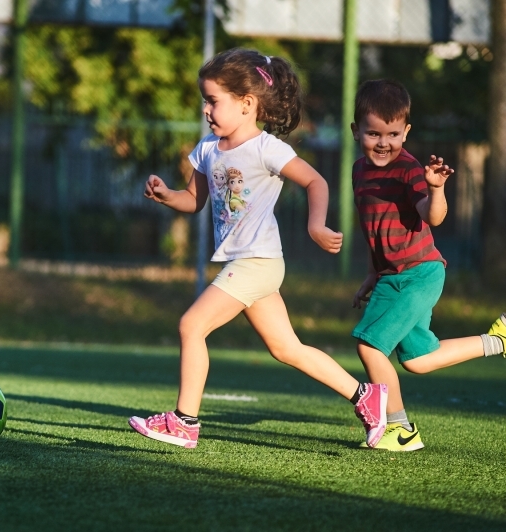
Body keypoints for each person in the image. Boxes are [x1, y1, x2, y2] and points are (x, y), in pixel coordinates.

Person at [127, 48, 389, 449]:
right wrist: (166, 195)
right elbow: (192, 200)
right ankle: (366, 396)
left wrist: (316, 225)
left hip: (259, 262)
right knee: (287, 348)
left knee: (191, 326)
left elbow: (316, 181)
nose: (206, 109)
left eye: (214, 100)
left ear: (247, 104)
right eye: (205, 100)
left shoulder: (267, 148)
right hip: (244, 263)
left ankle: (184, 422)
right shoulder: (207, 150)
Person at [348, 79, 506, 452]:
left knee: (370, 348)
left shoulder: (409, 169)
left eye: (392, 133)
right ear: (356, 131)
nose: (383, 142)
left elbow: (431, 217)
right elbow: (372, 228)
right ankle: (497, 341)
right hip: (392, 277)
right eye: (373, 133)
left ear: (406, 132)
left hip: (418, 273)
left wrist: (436, 188)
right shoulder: (359, 170)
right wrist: (373, 273)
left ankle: (400, 431)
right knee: (419, 360)